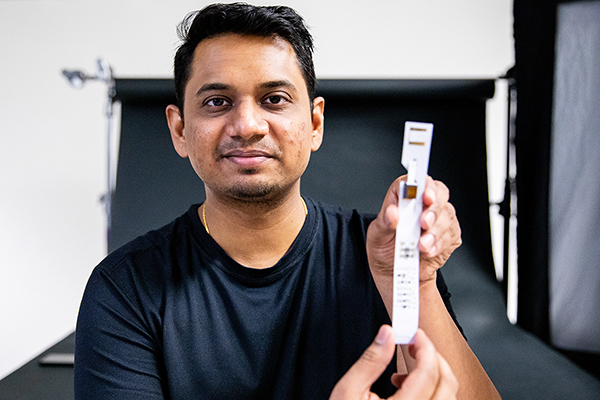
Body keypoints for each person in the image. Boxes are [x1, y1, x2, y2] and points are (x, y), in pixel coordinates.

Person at [74, 3, 500, 399]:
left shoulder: (388, 259)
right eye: (217, 102)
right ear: (180, 129)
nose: (247, 125)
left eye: (274, 99)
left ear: (315, 123)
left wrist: (412, 281)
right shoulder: (125, 288)